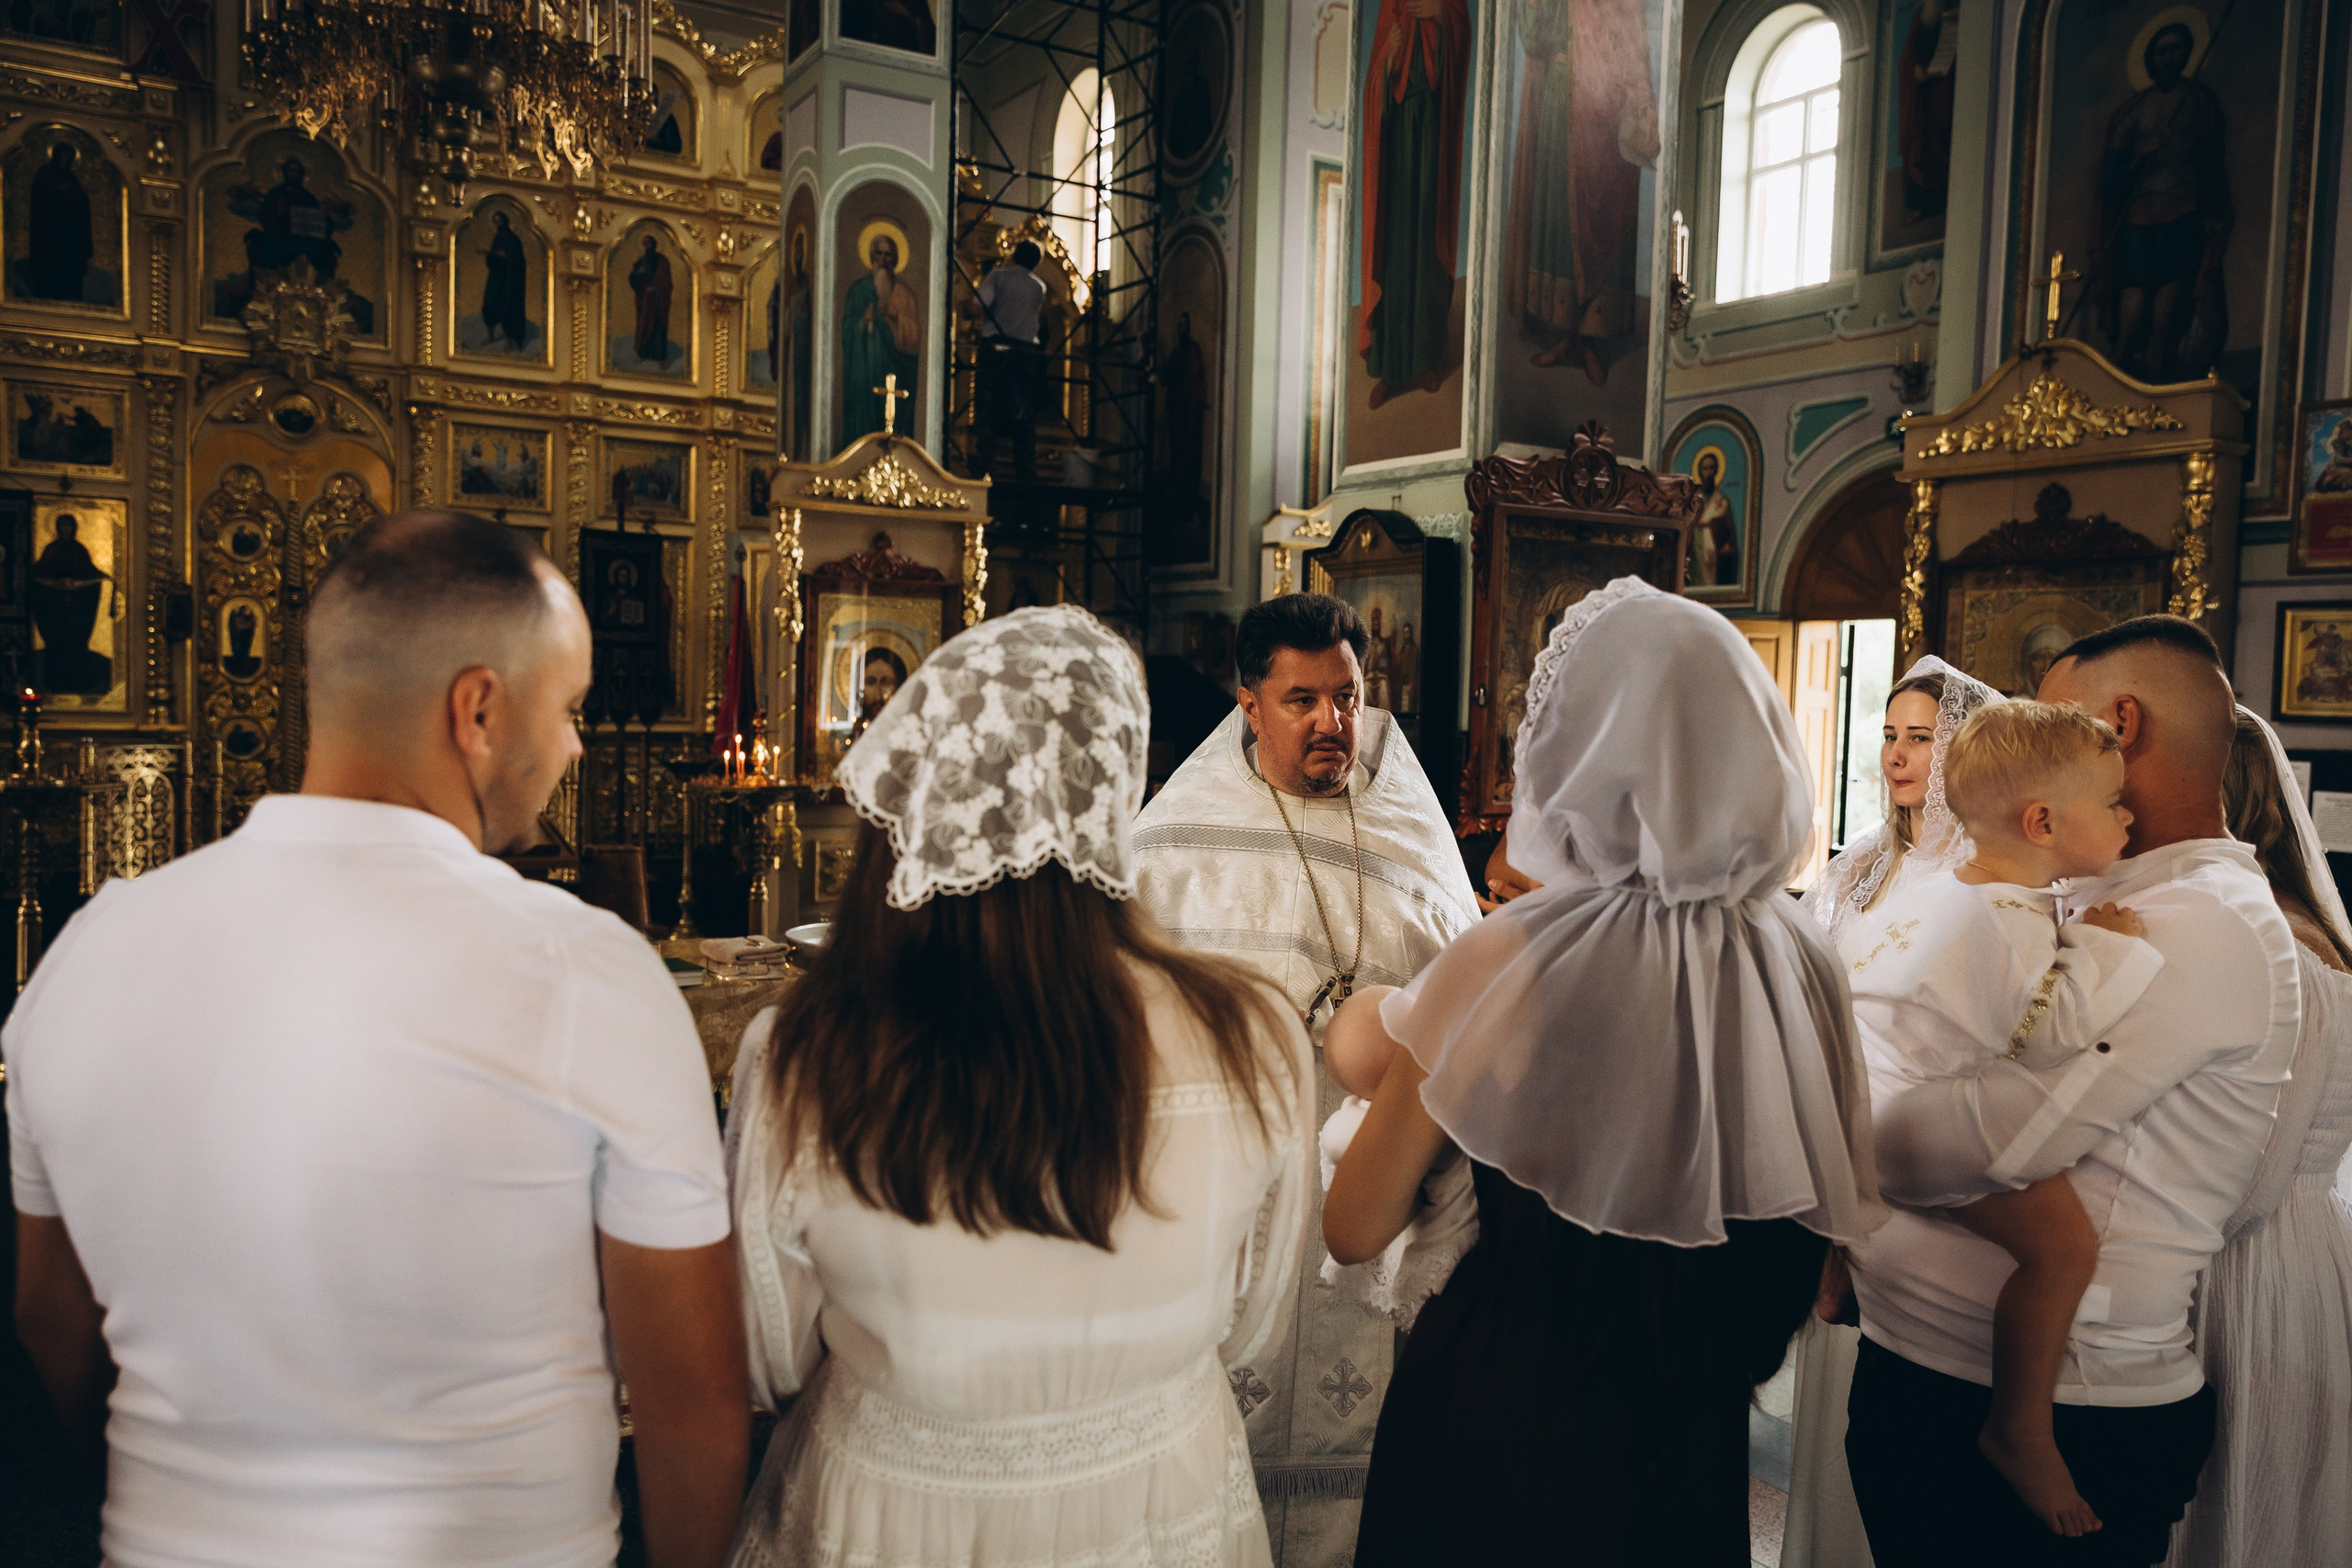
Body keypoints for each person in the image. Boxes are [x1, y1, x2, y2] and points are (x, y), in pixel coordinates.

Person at [6, 512, 747, 1567]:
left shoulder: (90, 951)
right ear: (479, 709)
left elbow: (50, 1321)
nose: (576, 746)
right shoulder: (583, 970)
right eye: (571, 709)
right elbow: (695, 1406)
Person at [724, 604, 1313, 1568]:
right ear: (1115, 786)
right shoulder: (1253, 1036)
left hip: (892, 1520)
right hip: (1159, 1506)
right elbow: (1249, 1328)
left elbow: (770, 1355)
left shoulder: (806, 1056)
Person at [1322, 576, 1882, 1562]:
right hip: (1697, 1430)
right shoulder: (1803, 957)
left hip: (1505, 1415)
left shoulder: (1516, 955)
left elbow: (1356, 1224)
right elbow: (1816, 1234)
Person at [1844, 615, 2301, 1568]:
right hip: (1924, 1373)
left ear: (2118, 726)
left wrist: (1856, 1129)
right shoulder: (2072, 886)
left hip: (2069, 1413)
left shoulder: (2196, 922)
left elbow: (1979, 1144)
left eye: (2046, 714)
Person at [1132, 592, 1477, 1541]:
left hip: (1378, 1198)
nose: (1334, 725)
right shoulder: (1168, 849)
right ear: (1247, 703)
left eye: (1348, 696)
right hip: (1229, 1200)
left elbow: (1469, 1001)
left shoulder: (1410, 828)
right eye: (1301, 702)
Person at [1842, 701, 2161, 1537]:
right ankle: (2019, 1426)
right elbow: (2046, 1032)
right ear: (2045, 821)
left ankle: (1835, 1261)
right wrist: (2107, 946)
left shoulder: (1940, 891)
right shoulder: (2007, 921)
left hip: (1860, 1114)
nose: (2130, 817)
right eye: (2114, 803)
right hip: (1915, 1127)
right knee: (2064, 1249)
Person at [2163, 711, 2352, 1567]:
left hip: (2246, 1256)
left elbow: (2261, 1168)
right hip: (2303, 1244)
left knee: (2232, 1495)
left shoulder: (2277, 944)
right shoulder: (2320, 935)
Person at [1356, 0, 1471, 408]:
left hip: (1431, 132)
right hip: (1398, 138)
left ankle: (1426, 360)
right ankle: (1389, 369)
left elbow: (1462, 40)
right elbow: (1373, 83)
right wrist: (1387, 58)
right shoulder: (1392, 5)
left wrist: (1442, 18)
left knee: (1426, 242)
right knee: (1394, 248)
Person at [973, 240, 1046, 480]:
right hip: (1027, 357)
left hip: (996, 352)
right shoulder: (1039, 287)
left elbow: (976, 307)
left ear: (1014, 254)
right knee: (1023, 419)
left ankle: (985, 472)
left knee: (987, 413)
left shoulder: (998, 277)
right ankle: (1026, 477)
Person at [841, 231, 921, 442]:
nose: (883, 260)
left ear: (895, 259)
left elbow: (913, 340)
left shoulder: (905, 294)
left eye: (888, 255)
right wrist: (864, 323)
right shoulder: (859, 290)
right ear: (871, 257)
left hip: (895, 367)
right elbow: (847, 330)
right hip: (864, 368)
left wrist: (895, 319)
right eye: (879, 254)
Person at [28, 140, 93, 301]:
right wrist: (57, 193)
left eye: (68, 156)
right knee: (51, 264)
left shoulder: (71, 176)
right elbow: (40, 198)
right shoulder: (45, 172)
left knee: (69, 266)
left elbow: (82, 199)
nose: (65, 159)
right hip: (50, 230)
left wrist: (76, 196)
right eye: (63, 155)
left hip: (70, 231)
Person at [480, 210, 531, 350]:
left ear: (506, 222)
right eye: (495, 222)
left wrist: (505, 256)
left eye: (500, 221)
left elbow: (517, 259)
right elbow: (494, 257)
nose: (498, 224)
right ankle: (491, 336)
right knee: (490, 303)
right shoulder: (497, 238)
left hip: (510, 279)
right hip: (497, 277)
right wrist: (492, 255)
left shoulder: (513, 239)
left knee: (509, 306)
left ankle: (509, 340)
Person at [628, 234, 675, 368]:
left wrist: (657, 288)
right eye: (645, 244)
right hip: (646, 302)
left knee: (659, 326)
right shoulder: (642, 261)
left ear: (654, 244)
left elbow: (668, 283)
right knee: (645, 324)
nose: (647, 246)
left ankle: (661, 358)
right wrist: (638, 274)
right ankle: (642, 354)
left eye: (649, 244)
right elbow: (633, 279)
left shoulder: (663, 262)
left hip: (659, 301)